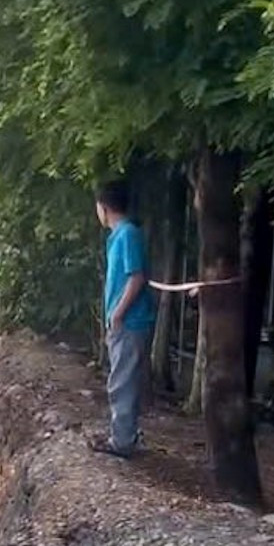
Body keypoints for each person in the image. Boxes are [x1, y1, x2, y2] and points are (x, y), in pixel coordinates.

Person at [90, 183, 157, 457]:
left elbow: (136, 277)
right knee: (126, 378)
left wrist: (117, 313)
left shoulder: (127, 234)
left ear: (103, 208)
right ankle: (125, 434)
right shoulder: (119, 236)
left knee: (121, 381)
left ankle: (122, 442)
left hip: (130, 322)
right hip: (126, 322)